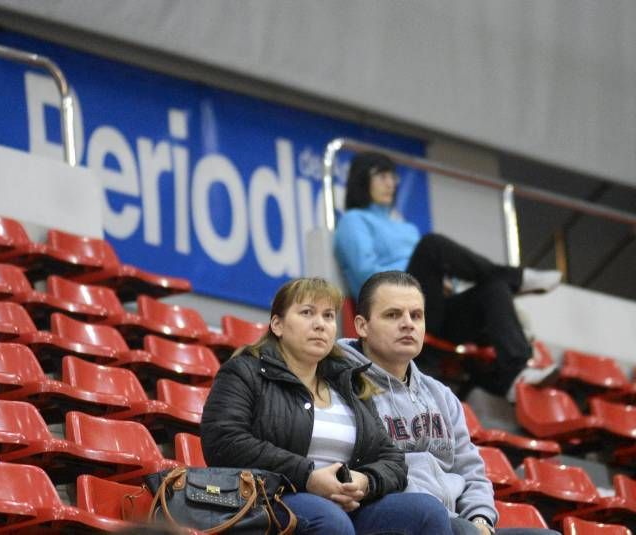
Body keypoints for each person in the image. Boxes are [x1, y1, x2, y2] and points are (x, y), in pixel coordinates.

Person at [201, 277, 452, 535]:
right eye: (307, 313)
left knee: (427, 512)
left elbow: (392, 459)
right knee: (331, 521)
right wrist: (308, 476)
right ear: (277, 324)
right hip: (269, 497)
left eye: (329, 316)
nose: (320, 324)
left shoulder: (349, 382)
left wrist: (365, 482)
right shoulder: (244, 371)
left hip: (347, 506)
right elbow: (223, 441)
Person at [337, 271, 561, 535]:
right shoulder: (344, 384)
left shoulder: (441, 395)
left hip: (453, 521)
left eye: (416, 316)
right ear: (362, 326)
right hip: (386, 513)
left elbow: (471, 471)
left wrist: (481, 519)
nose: (408, 324)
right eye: (393, 315)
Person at [333, 151, 561, 400]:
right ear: (361, 180)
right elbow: (366, 276)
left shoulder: (406, 228)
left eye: (392, 176)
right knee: (432, 246)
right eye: (381, 176)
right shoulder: (353, 222)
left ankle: (517, 370)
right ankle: (516, 277)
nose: (391, 183)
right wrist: (413, 278)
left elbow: (433, 273)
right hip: (393, 303)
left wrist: (447, 284)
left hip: (431, 310)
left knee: (493, 288)